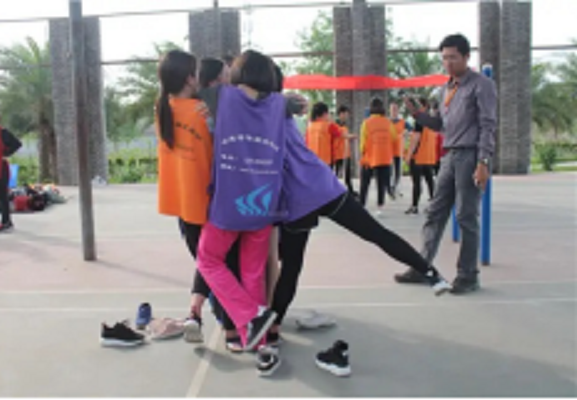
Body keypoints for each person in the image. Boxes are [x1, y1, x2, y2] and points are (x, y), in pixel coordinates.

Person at [266, 104, 453, 347]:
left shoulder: (260, 117)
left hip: (298, 199)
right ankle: (430, 273)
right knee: (376, 233)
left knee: (291, 267)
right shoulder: (279, 112)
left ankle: (273, 329)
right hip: (322, 187)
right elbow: (288, 101)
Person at [195, 50, 288, 352]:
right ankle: (259, 345)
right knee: (253, 273)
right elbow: (297, 104)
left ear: (236, 74)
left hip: (229, 203)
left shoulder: (220, 97)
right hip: (264, 203)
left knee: (208, 259)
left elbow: (189, 90)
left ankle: (250, 316)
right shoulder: (279, 103)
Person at [398, 33, 497, 294]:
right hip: (449, 155)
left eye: (453, 57)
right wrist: (418, 114)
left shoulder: (481, 85)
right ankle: (422, 266)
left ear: (466, 57)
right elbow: (440, 125)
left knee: (466, 215)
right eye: (444, 58)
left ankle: (468, 275)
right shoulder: (445, 90)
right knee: (435, 211)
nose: (448, 63)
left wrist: (483, 161)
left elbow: (488, 125)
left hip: (471, 155)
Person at [161, 56, 245, 351]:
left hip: (182, 203)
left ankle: (195, 314)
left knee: (206, 263)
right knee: (222, 265)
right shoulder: (202, 113)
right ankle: (232, 331)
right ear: (189, 78)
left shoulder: (164, 109)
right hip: (208, 201)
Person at [358, 97, 397, 215]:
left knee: (365, 183)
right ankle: (380, 207)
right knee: (381, 183)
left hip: (369, 158)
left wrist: (362, 152)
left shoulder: (366, 123)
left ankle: (362, 205)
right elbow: (394, 137)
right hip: (384, 157)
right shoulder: (388, 122)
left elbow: (363, 142)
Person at [404, 98, 436, 215]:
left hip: (418, 156)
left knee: (417, 182)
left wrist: (409, 155)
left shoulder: (420, 119)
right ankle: (434, 205)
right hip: (429, 156)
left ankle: (414, 206)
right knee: (430, 181)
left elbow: (416, 138)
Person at [332, 105, 357, 196]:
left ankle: (350, 191)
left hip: (346, 152)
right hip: (338, 153)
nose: (347, 116)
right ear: (341, 114)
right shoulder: (335, 125)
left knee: (347, 174)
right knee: (336, 174)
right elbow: (341, 135)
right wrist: (350, 136)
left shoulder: (344, 125)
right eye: (346, 114)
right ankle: (334, 191)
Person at [389, 102, 407, 197]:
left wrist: (405, 133)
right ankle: (390, 187)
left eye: (395, 109)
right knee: (389, 170)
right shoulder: (387, 122)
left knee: (398, 171)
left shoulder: (402, 122)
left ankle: (395, 187)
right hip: (389, 151)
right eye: (392, 109)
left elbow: (412, 130)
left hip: (399, 150)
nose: (394, 111)